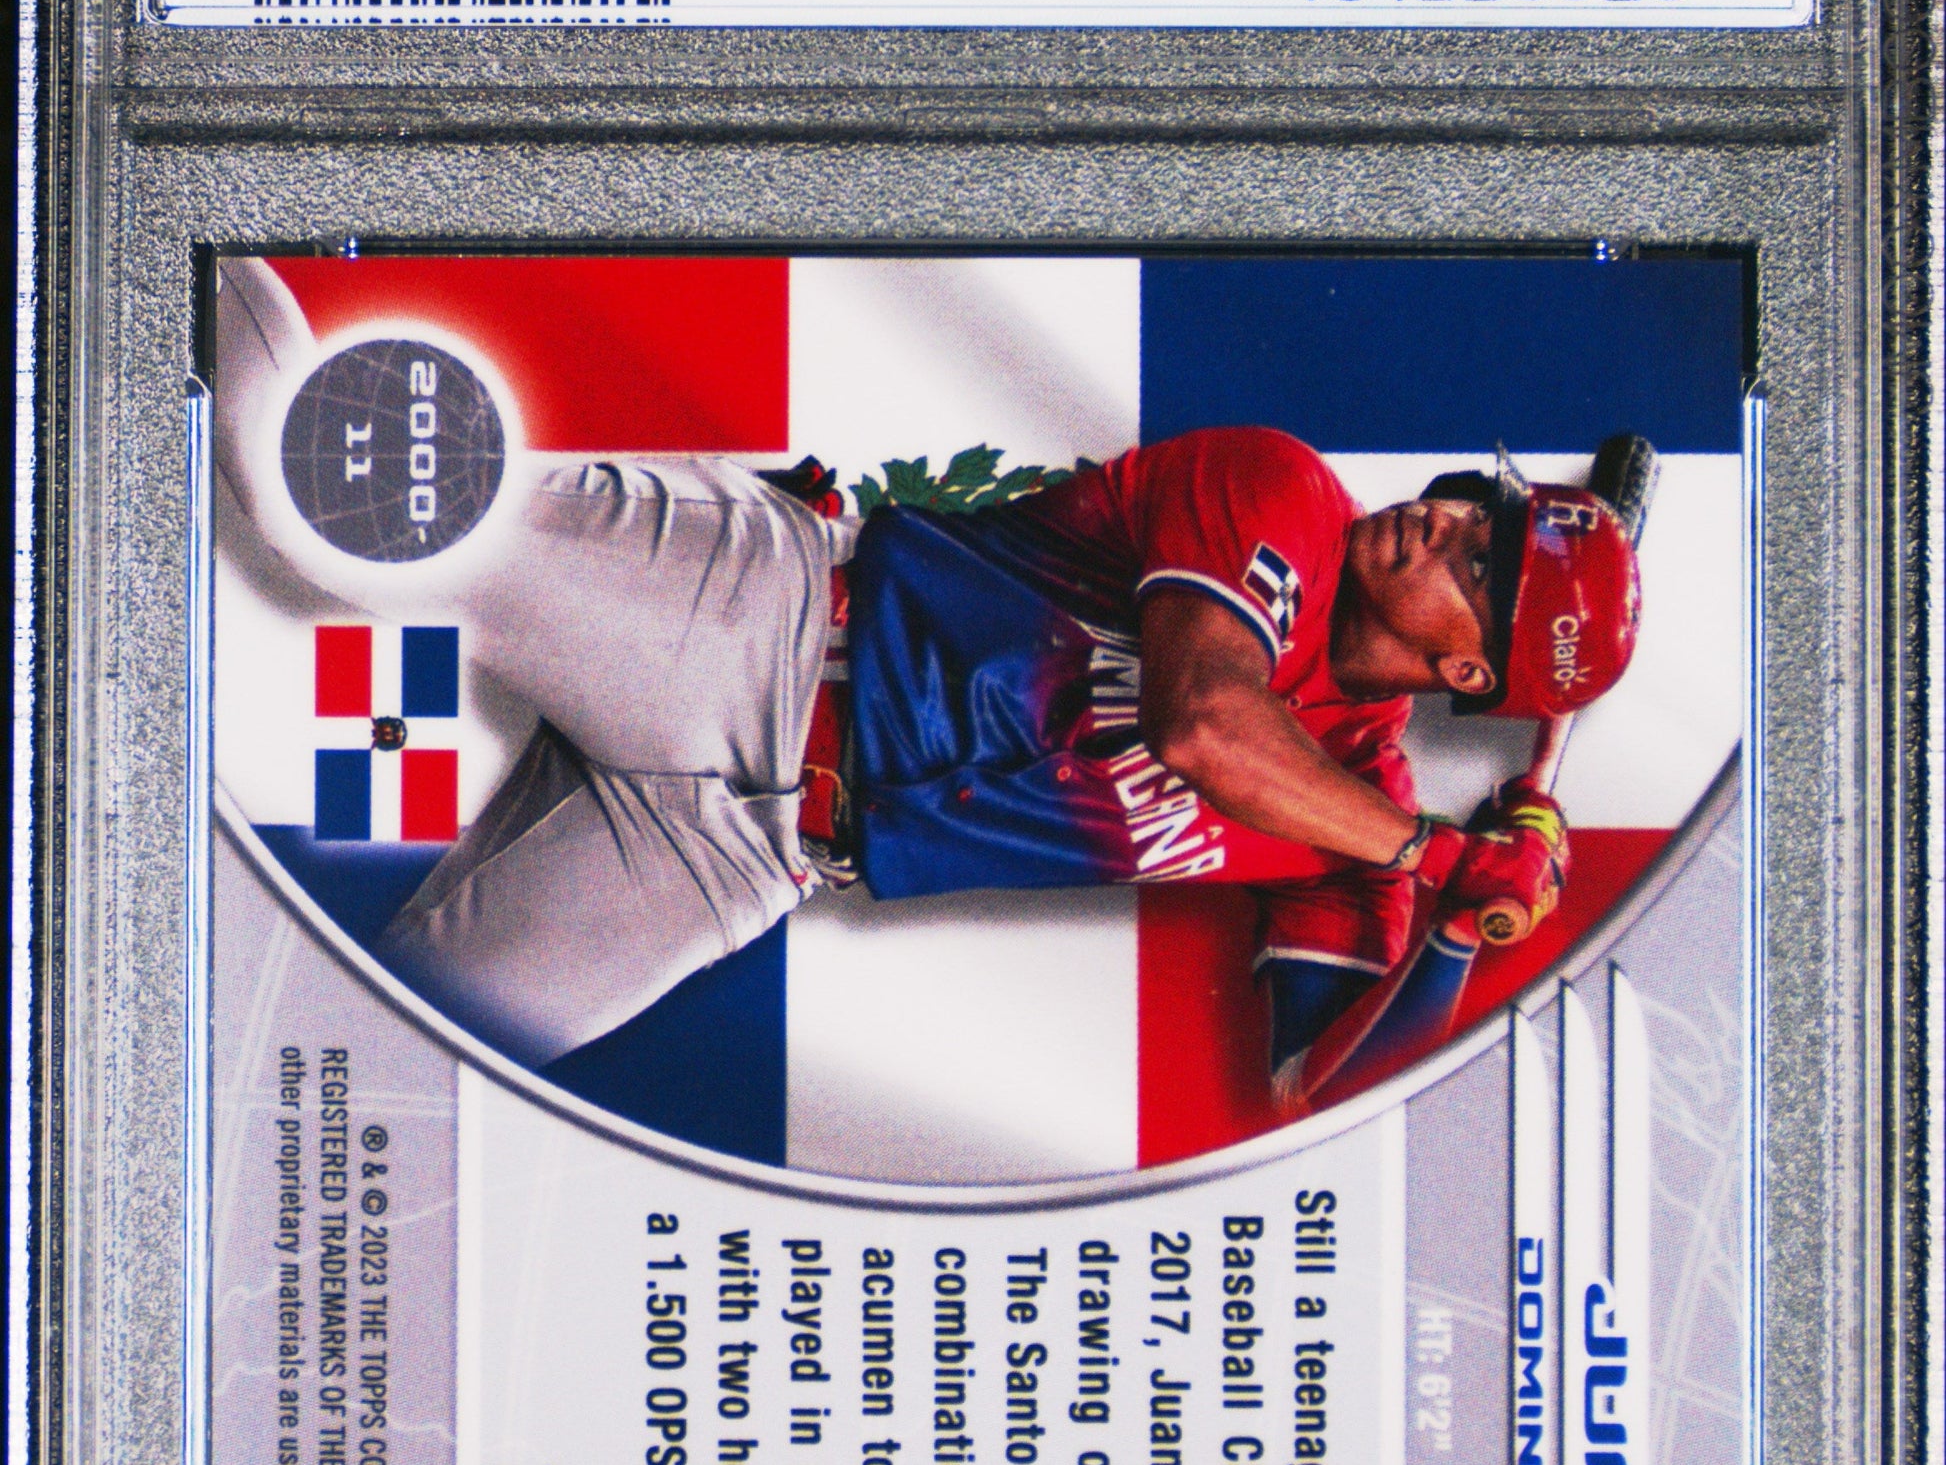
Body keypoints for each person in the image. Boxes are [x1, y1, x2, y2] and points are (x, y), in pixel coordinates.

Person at [365, 414, 1640, 1101]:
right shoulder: (1284, 492)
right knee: (339, 497)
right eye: (1479, 510)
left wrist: (1459, 935)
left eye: (1480, 564)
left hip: (747, 852)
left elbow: (1324, 1086)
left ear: (1465, 676)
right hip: (760, 622)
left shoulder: (1360, 824)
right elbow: (1202, 720)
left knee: (406, 1052)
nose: (1448, 519)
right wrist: (1432, 855)